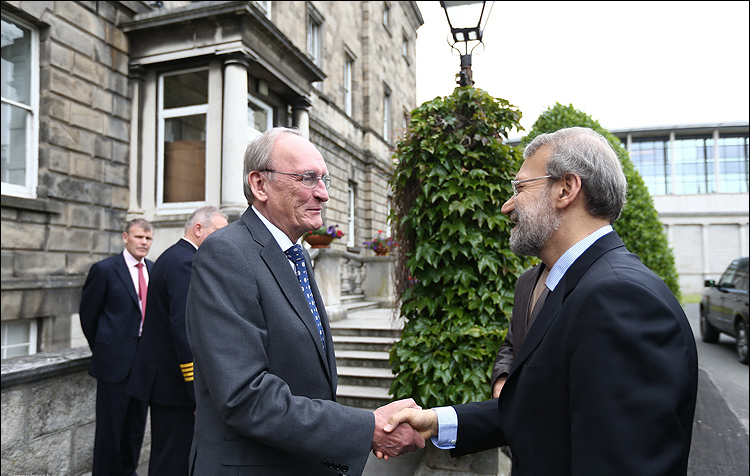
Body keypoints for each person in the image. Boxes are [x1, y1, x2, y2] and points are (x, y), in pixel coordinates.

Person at [383, 127, 699, 476]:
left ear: (566, 189)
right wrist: (435, 422)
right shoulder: (576, 284)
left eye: (520, 188)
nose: (507, 206)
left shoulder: (619, 298)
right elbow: (546, 410)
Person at [185, 127, 424, 476]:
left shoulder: (295, 255)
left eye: (324, 179)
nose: (323, 193)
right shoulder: (226, 253)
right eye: (308, 178)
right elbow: (245, 395)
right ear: (260, 184)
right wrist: (367, 428)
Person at [126, 206, 228, 476]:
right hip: (174, 385)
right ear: (198, 229)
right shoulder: (185, 262)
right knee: (172, 459)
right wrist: (195, 390)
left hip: (167, 382)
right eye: (219, 232)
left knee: (169, 454)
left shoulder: (175, 256)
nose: (223, 239)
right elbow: (185, 330)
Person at [80, 218, 155, 476]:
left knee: (135, 427)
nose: (143, 243)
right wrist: (105, 349)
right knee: (109, 430)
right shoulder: (104, 270)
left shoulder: (153, 269)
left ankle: (128, 471)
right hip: (113, 364)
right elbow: (89, 316)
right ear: (125, 237)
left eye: (148, 238)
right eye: (138, 237)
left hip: (143, 365)